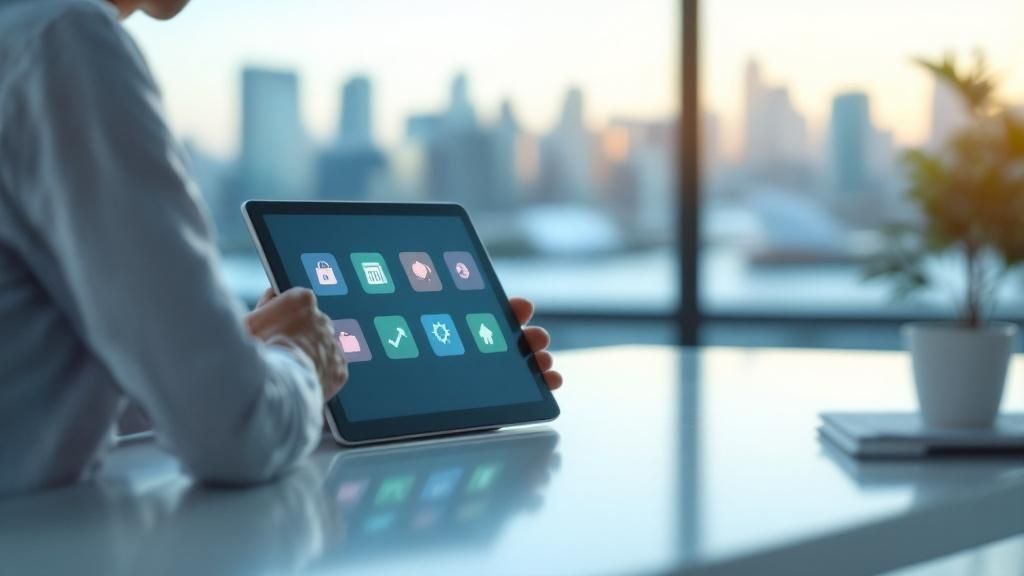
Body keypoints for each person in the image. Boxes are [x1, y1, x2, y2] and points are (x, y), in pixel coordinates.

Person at [0, 0, 562, 495]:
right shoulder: (61, 39)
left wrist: (247, 362)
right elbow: (232, 436)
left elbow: (27, 404)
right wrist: (296, 368)